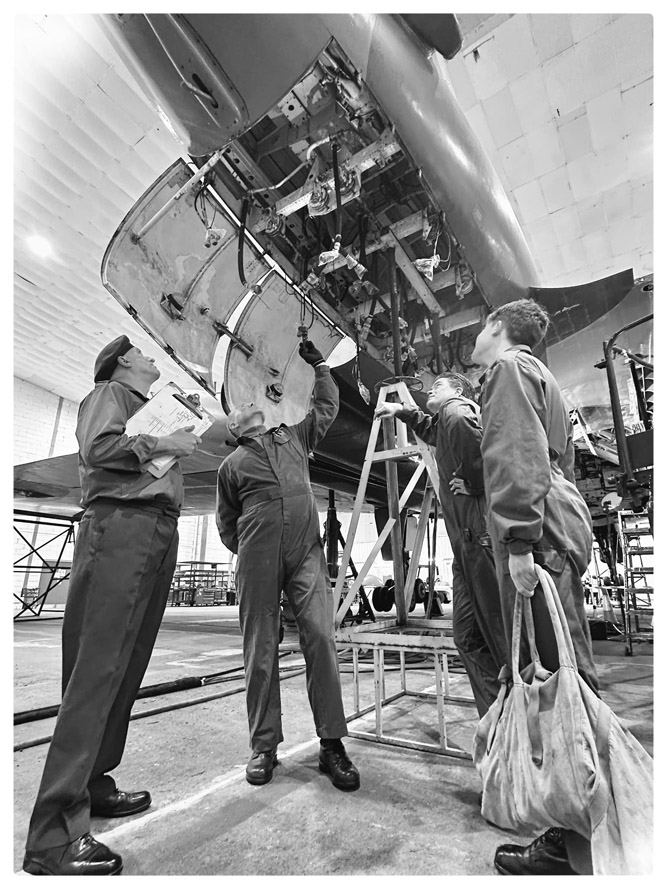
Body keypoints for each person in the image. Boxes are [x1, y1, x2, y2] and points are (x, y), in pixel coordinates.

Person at [23, 336, 202, 876]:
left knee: (123, 670)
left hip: (154, 529)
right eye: (142, 354)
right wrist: (164, 440)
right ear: (123, 363)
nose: (150, 357)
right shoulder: (109, 394)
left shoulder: (141, 406)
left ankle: (92, 784)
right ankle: (53, 836)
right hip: (123, 526)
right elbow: (99, 450)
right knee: (96, 672)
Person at [471, 299, 599, 876]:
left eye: (482, 326)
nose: (477, 337)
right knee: (568, 675)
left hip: (538, 533)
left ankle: (573, 845)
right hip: (558, 523)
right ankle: (586, 826)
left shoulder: (506, 369)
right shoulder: (541, 375)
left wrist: (519, 541)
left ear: (497, 326)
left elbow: (516, 453)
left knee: (556, 685)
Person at [216, 340, 359, 792]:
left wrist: (320, 366)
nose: (248, 404)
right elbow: (226, 525)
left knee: (320, 636)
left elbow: (326, 406)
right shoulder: (231, 466)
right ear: (235, 428)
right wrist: (254, 549)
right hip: (256, 559)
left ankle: (331, 743)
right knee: (259, 649)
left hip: (305, 554)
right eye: (240, 408)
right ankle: (264, 747)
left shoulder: (293, 437)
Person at [375, 372, 506, 716]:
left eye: (439, 385)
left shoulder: (456, 410)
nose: (432, 388)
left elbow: (471, 436)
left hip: (478, 536)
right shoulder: (444, 421)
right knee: (467, 637)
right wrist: (400, 410)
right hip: (466, 542)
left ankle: (518, 716)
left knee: (499, 636)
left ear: (458, 390)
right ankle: (498, 716)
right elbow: (431, 429)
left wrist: (476, 482)